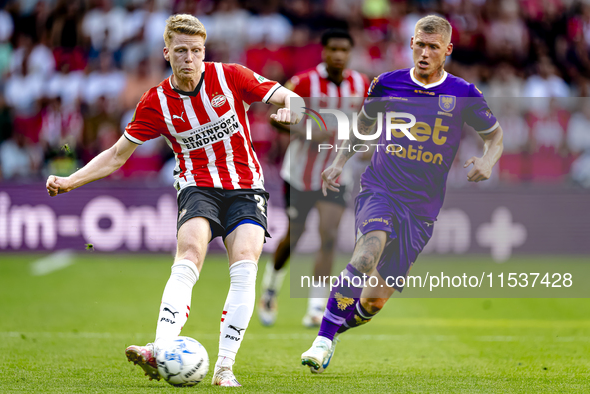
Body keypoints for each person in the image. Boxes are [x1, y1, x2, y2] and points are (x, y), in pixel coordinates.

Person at [45, 14, 301, 387]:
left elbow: (287, 95)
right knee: (190, 255)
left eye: (196, 51)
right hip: (197, 187)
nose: (189, 59)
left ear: (204, 52)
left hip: (246, 187)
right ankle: (161, 348)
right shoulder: (156, 103)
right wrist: (71, 180)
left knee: (246, 263)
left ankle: (224, 367)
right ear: (167, 53)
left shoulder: (231, 76)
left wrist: (291, 108)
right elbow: (117, 155)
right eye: (181, 51)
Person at [300, 15, 504, 373]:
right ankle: (322, 339)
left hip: (422, 207)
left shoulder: (464, 93)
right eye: (420, 45)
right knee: (367, 252)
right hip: (381, 187)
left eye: (433, 47)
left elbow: (495, 136)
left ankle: (337, 328)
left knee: (373, 305)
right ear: (411, 44)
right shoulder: (387, 84)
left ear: (447, 51)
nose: (424, 53)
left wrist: (488, 161)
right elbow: (363, 129)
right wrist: (339, 161)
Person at [258, 29, 370, 327]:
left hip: (337, 173)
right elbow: (274, 116)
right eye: (333, 49)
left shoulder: (361, 84)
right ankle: (270, 289)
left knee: (329, 235)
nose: (338, 55)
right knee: (294, 236)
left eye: (344, 50)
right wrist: (306, 130)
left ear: (349, 53)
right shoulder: (304, 82)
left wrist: (367, 144)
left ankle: (316, 306)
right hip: (299, 174)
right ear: (324, 51)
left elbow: (367, 122)